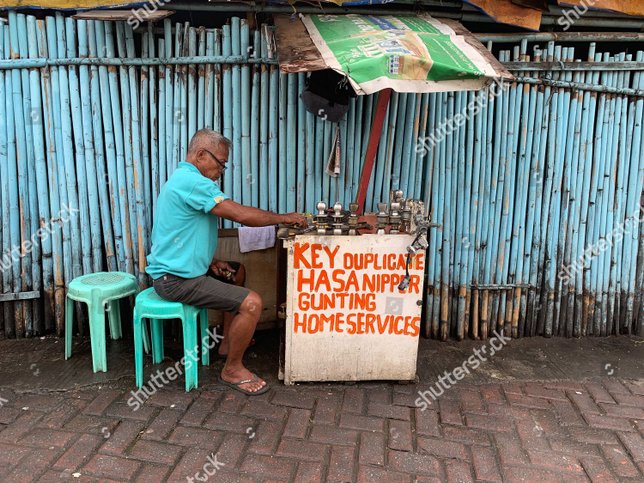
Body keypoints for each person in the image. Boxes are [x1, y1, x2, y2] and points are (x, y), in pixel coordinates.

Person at [146, 129, 306, 395]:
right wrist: (283, 217)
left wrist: (212, 262)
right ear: (200, 155)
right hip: (175, 280)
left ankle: (226, 345)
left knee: (237, 271)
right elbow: (241, 215)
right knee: (252, 303)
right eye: (220, 162)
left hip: (182, 271)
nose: (222, 169)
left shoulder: (182, 178)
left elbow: (181, 234)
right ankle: (232, 369)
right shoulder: (194, 182)